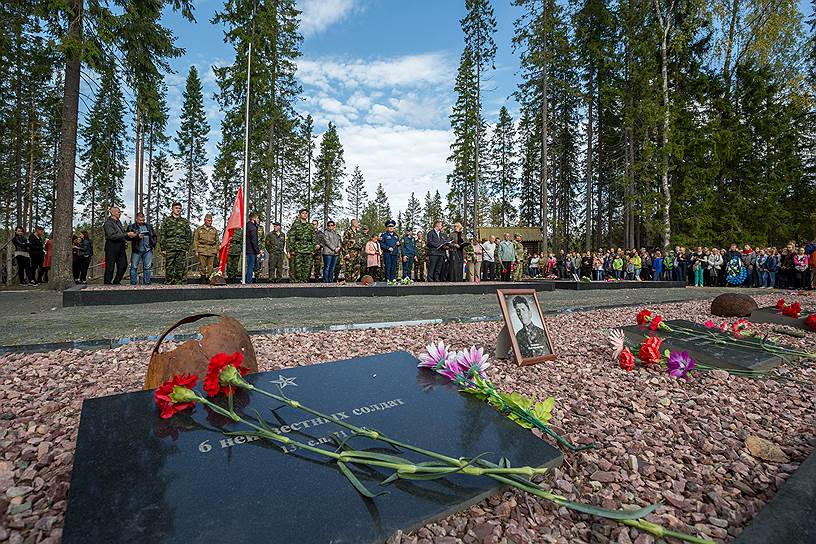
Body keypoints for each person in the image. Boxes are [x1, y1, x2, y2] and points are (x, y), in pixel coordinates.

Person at [161, 202, 192, 285]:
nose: (178, 210)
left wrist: (187, 247)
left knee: (180, 266)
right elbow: (163, 234)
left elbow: (188, 235)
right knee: (169, 266)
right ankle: (169, 282)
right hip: (170, 246)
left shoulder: (184, 221)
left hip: (181, 247)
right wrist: (163, 248)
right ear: (172, 209)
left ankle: (179, 283)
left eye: (179, 208)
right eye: (176, 208)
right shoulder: (167, 220)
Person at [288, 209, 318, 282]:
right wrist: (291, 249)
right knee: (297, 268)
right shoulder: (296, 224)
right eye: (303, 213)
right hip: (298, 249)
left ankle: (305, 283)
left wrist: (313, 249)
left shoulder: (310, 226)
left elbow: (314, 238)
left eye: (306, 213)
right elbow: (292, 237)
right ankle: (298, 284)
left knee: (307, 268)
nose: (305, 214)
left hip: (308, 250)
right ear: (300, 215)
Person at [127, 212, 157, 285]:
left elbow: (154, 235)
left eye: (143, 220)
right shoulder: (131, 227)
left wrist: (153, 244)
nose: (142, 222)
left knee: (147, 267)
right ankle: (133, 283)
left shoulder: (149, 226)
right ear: (136, 219)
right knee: (134, 267)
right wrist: (137, 236)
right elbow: (127, 237)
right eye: (140, 220)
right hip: (137, 250)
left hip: (148, 249)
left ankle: (147, 283)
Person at [103, 207, 128, 284]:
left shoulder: (119, 222)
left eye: (120, 212)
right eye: (118, 212)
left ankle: (116, 281)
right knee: (110, 266)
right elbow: (112, 236)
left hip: (121, 246)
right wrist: (126, 234)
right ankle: (107, 283)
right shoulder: (108, 223)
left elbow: (122, 234)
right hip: (111, 246)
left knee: (123, 265)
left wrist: (130, 235)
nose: (120, 213)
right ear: (113, 213)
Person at [193, 214, 220, 282]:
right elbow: (195, 240)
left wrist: (217, 251)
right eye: (208, 221)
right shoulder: (199, 229)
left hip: (211, 249)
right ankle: (203, 279)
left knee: (211, 266)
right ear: (204, 220)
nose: (210, 222)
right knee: (202, 265)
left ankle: (209, 279)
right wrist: (196, 250)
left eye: (211, 221)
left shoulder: (214, 230)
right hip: (202, 249)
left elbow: (217, 241)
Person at [340, 219, 364, 283]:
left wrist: (361, 253)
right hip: (350, 253)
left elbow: (360, 243)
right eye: (357, 222)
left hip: (357, 253)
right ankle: (348, 283)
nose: (358, 223)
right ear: (353, 223)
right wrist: (346, 253)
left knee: (356, 268)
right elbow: (344, 243)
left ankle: (354, 282)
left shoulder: (358, 232)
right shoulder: (348, 231)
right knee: (349, 269)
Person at [242, 212, 260, 284]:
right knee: (251, 266)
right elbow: (254, 241)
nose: (258, 220)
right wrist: (257, 251)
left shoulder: (247, 225)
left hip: (249, 249)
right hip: (251, 250)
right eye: (257, 218)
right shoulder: (252, 227)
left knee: (253, 265)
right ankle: (249, 281)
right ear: (253, 218)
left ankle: (247, 279)